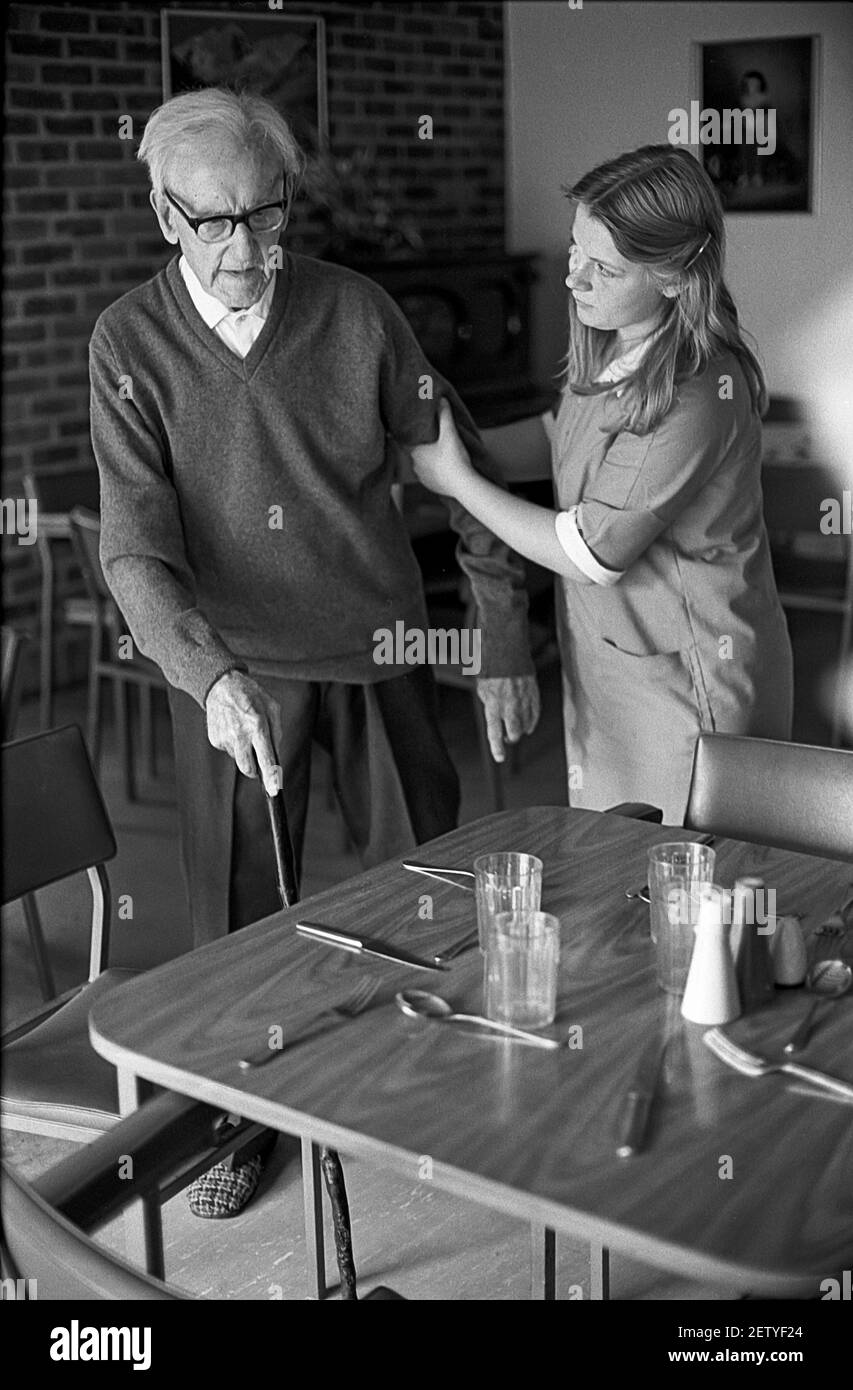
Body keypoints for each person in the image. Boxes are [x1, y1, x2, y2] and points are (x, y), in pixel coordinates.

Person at [89, 87, 538, 1216]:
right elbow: (135, 551)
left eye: (268, 214)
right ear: (163, 216)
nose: (247, 247)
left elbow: (464, 472)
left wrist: (501, 634)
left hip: (380, 646)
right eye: (215, 222)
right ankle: (236, 1123)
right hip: (240, 670)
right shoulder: (129, 345)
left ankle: (440, 1096)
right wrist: (207, 673)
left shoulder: (360, 315)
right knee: (236, 925)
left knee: (431, 897)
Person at [411, 144, 793, 823]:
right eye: (572, 252)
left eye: (604, 268)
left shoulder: (694, 392)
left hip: (691, 682)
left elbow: (586, 552)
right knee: (621, 874)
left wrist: (458, 481)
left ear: (676, 276)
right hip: (618, 667)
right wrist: (440, 444)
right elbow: (564, 437)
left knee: (689, 888)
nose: (573, 281)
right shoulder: (617, 339)